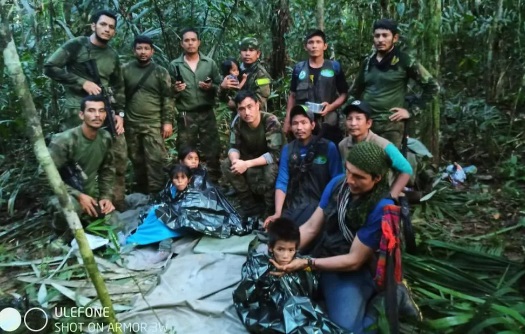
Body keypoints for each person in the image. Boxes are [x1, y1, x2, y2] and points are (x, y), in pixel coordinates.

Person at [271, 141, 395, 333]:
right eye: (348, 171)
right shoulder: (338, 184)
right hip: (325, 252)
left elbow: (354, 260)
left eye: (359, 177)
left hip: (351, 269)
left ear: (377, 178)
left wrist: (307, 263)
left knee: (345, 329)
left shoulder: (380, 207)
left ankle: (380, 303)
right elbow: (312, 227)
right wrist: (284, 250)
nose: (350, 180)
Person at [44, 9, 128, 211]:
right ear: (93, 26)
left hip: (105, 111)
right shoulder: (77, 46)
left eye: (111, 27)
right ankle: (77, 204)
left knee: (116, 155)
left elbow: (119, 86)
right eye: (103, 25)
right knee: (76, 160)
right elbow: (50, 67)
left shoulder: (112, 55)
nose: (107, 30)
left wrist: (119, 114)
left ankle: (112, 202)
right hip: (77, 112)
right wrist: (82, 82)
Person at [233, 217, 346, 333]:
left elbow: (313, 284)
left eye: (291, 250)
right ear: (271, 248)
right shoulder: (261, 268)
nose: (286, 256)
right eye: (280, 249)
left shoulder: (302, 264)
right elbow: (245, 299)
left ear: (296, 249)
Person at [349, 18, 440, 148]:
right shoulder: (368, 62)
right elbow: (354, 92)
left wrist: (411, 111)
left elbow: (433, 87)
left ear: (395, 38)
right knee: (363, 162)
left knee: (388, 164)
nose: (380, 40)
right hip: (366, 124)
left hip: (391, 125)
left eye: (385, 35)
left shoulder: (405, 60)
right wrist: (352, 117)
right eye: (377, 36)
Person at [265, 105, 342, 227]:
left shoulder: (328, 147)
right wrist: (277, 213)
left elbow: (337, 180)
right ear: (290, 126)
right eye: (295, 123)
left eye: (304, 122)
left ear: (312, 125)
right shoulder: (288, 150)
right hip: (295, 205)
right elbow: (282, 181)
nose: (299, 127)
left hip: (320, 206)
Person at [48, 95, 115, 231]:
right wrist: (78, 196)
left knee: (113, 222)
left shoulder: (105, 138)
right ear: (81, 115)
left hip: (89, 194)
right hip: (62, 193)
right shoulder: (64, 141)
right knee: (71, 207)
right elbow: (45, 176)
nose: (97, 115)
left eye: (101, 111)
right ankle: (61, 235)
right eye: (91, 110)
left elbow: (107, 170)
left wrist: (105, 197)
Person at [122, 35, 174, 195]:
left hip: (153, 123)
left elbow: (168, 97)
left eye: (146, 49)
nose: (142, 52)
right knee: (137, 160)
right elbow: (118, 95)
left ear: (152, 51)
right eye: (139, 48)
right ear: (134, 50)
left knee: (155, 160)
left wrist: (167, 121)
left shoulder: (160, 72)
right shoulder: (125, 70)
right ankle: (141, 192)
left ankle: (156, 193)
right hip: (131, 123)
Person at [169, 28, 222, 183]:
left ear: (199, 42)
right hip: (187, 114)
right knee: (185, 148)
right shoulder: (174, 65)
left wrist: (210, 87)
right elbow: (168, 91)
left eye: (193, 40)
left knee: (212, 148)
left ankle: (213, 182)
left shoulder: (209, 63)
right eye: (186, 40)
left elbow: (220, 86)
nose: (190, 43)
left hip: (207, 112)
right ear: (182, 44)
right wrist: (176, 89)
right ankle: (186, 181)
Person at [221, 90, 284, 218]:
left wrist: (246, 164)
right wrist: (235, 162)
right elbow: (233, 147)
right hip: (248, 159)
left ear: (257, 105)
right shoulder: (238, 122)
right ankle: (249, 205)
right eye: (242, 109)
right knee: (227, 164)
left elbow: (275, 154)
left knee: (271, 169)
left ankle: (270, 209)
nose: (246, 112)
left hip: (266, 161)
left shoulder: (270, 121)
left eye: (250, 107)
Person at [339, 100, 412, 198]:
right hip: (354, 192)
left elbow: (406, 169)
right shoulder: (343, 145)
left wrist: (392, 196)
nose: (353, 123)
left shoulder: (382, 145)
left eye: (358, 118)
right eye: (349, 119)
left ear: (368, 123)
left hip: (378, 195)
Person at [284, 30, 348, 141]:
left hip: (328, 122)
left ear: (325, 46)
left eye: (318, 42)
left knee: (328, 152)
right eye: (311, 42)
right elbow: (293, 95)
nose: (314, 46)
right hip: (303, 123)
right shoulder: (299, 69)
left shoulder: (334, 67)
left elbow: (344, 94)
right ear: (305, 46)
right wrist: (288, 119)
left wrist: (330, 107)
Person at [220, 37, 272, 112]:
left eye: (251, 50)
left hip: (254, 118)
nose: (247, 54)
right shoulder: (235, 70)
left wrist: (236, 105)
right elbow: (220, 96)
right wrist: (223, 88)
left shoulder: (262, 75)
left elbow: (260, 101)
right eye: (244, 50)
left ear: (258, 54)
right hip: (237, 117)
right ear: (240, 53)